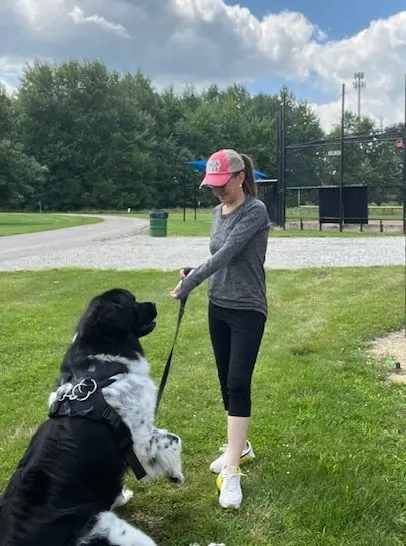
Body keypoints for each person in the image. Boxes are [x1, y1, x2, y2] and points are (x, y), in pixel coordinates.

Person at [169, 148, 270, 509]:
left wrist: (190, 282)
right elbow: (217, 254)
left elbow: (228, 252)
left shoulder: (255, 210)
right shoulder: (217, 211)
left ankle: (231, 472)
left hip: (247, 310)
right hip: (219, 306)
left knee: (238, 382)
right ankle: (240, 447)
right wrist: (192, 269)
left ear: (241, 177)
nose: (217, 192)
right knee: (225, 376)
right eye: (212, 186)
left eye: (222, 184)